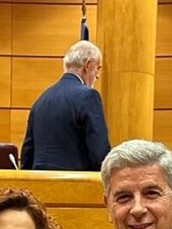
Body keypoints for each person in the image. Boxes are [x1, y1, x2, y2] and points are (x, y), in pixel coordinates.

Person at [20, 40, 111, 171]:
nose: (97, 75)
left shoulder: (40, 100)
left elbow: (27, 154)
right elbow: (99, 153)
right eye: (97, 68)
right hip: (75, 185)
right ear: (87, 65)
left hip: (40, 184)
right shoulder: (88, 96)